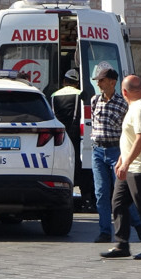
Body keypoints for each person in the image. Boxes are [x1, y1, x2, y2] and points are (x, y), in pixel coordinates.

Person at [100, 75, 141, 260]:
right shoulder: (135, 107)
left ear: (124, 92)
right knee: (118, 203)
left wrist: (126, 162)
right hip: (130, 165)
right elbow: (129, 139)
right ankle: (122, 244)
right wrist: (122, 159)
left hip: (140, 167)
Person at [90, 63, 141, 243]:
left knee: (121, 194)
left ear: (112, 82)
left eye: (102, 81)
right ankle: (105, 231)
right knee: (101, 193)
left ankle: (139, 226)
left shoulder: (123, 104)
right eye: (98, 81)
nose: (99, 84)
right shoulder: (95, 100)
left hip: (115, 151)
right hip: (98, 151)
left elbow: (129, 130)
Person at [51, 69, 92, 212]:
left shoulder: (53, 95)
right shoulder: (80, 94)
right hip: (75, 133)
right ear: (76, 82)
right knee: (78, 164)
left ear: (64, 81)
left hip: (58, 134)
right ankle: (86, 196)